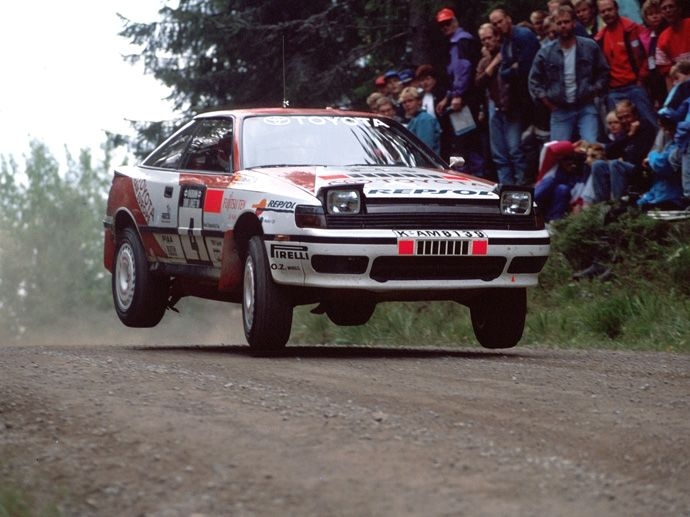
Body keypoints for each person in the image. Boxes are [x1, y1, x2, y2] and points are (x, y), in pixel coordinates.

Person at [529, 5, 610, 143]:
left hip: (585, 105)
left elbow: (603, 71)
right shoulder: (545, 52)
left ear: (573, 23)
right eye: (559, 23)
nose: (563, 26)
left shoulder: (589, 46)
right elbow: (534, 81)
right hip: (559, 109)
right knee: (557, 150)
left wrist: (595, 89)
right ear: (554, 25)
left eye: (566, 22)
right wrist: (547, 102)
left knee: (591, 145)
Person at [488, 8, 541, 184]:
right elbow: (503, 72)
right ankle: (520, 184)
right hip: (519, 101)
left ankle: (526, 184)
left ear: (508, 19)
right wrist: (514, 68)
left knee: (523, 145)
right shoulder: (506, 43)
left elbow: (527, 67)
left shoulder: (523, 35)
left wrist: (514, 68)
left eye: (500, 21)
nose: (498, 26)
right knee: (519, 146)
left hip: (534, 96)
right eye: (494, 24)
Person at [435, 7, 485, 174]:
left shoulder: (462, 41)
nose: (445, 27)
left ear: (455, 21)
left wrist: (457, 95)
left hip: (466, 99)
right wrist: (448, 97)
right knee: (462, 141)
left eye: (448, 23)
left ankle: (475, 175)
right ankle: (467, 173)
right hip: (460, 97)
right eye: (442, 25)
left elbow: (464, 69)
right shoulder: (455, 43)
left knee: (465, 140)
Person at [595, 0, 659, 130]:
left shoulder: (633, 29)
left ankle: (656, 149)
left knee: (649, 122)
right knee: (618, 129)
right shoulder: (600, 38)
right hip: (614, 90)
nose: (607, 13)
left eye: (609, 9)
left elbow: (650, 54)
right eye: (603, 11)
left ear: (616, 8)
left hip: (635, 85)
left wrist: (642, 77)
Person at [591, 99, 657, 202]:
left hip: (640, 170)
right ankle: (602, 206)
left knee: (615, 164)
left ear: (635, 114)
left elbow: (638, 156)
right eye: (621, 118)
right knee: (598, 165)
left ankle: (618, 206)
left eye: (627, 116)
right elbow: (608, 152)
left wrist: (623, 157)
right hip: (623, 167)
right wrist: (629, 135)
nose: (624, 120)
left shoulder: (645, 126)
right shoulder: (627, 130)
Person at [534, 141, 590, 221]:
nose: (572, 163)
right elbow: (549, 148)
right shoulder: (551, 168)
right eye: (567, 159)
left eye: (576, 159)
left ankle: (554, 222)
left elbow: (580, 196)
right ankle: (523, 208)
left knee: (562, 189)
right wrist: (572, 147)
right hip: (538, 203)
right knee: (549, 182)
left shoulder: (583, 173)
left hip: (562, 208)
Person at [640, 0, 669, 108]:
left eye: (657, 13)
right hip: (654, 77)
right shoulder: (648, 36)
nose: (655, 16)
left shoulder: (666, 32)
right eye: (651, 14)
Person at [655, 0, 690, 87]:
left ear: (679, 9)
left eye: (671, 6)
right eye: (664, 8)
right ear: (662, 14)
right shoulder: (662, 38)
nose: (668, 10)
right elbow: (667, 73)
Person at [399, 86, 442, 154]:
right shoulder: (415, 119)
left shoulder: (424, 119)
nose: (407, 104)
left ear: (419, 101)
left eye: (410, 100)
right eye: (404, 102)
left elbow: (424, 149)